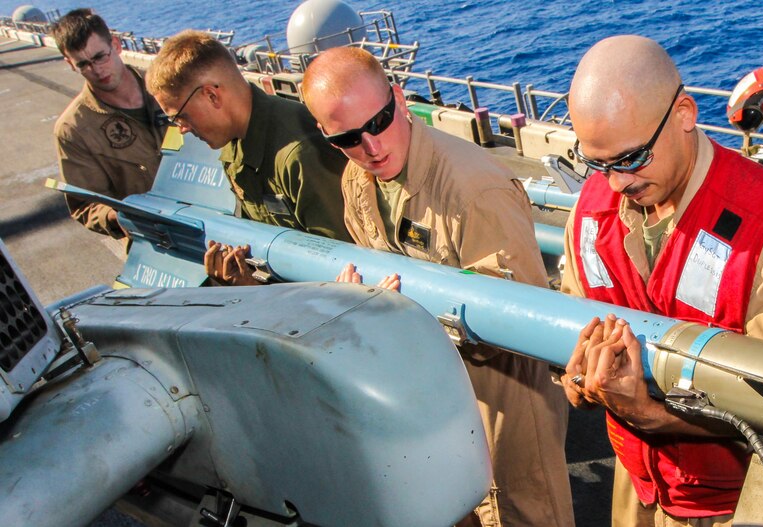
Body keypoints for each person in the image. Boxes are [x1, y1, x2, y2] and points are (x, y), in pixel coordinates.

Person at [300, 47, 574, 527]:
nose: (372, 148)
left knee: (522, 511)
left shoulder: (474, 189)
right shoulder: (358, 180)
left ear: (400, 99)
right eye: (347, 138)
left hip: (504, 396)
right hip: (432, 389)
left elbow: (515, 319)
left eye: (380, 121)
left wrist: (395, 317)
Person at [559, 36, 763, 527]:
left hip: (737, 505)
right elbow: (572, 316)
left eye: (632, 159)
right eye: (599, 163)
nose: (616, 183)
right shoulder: (589, 212)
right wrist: (575, 373)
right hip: (636, 490)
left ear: (684, 113)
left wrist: (650, 415)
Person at [145, 30, 351, 284]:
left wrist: (257, 291)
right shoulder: (234, 147)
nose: (182, 129)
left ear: (212, 95)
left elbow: (340, 265)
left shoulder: (298, 154)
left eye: (181, 117)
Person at [52, 8, 167, 238]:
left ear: (115, 44)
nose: (96, 70)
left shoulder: (168, 85)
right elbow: (85, 205)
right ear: (70, 63)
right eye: (83, 64)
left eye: (99, 57)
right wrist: (118, 216)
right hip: (156, 239)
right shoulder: (73, 130)